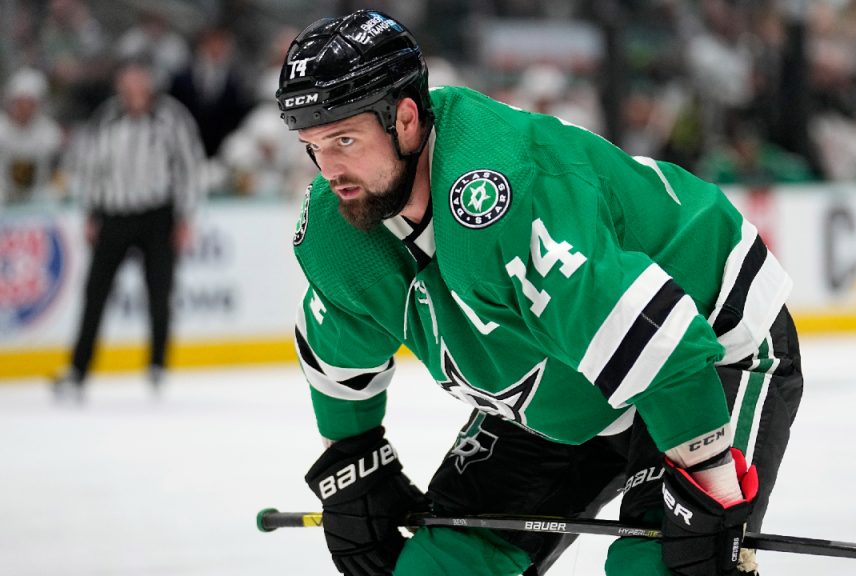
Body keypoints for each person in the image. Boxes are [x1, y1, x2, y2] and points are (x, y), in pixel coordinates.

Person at [276, 11, 803, 576]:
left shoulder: (505, 194)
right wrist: (353, 465)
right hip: (564, 366)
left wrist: (713, 494)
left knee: (659, 568)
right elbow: (335, 348)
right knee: (443, 568)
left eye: (345, 139)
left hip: (704, 338)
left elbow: (652, 343)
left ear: (405, 120)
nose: (328, 168)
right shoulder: (340, 226)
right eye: (313, 145)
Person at [53, 60, 205, 401]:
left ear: (150, 85)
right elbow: (91, 167)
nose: (134, 90)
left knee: (159, 293)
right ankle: (78, 369)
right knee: (95, 294)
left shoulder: (171, 117)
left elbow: (190, 166)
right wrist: (91, 212)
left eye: (139, 83)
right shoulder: (106, 117)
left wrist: (185, 217)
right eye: (128, 84)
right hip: (113, 215)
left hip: (157, 216)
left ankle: (157, 365)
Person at [0, 68, 64, 206]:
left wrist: (55, 190)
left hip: (39, 199)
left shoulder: (50, 132)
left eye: (29, 103)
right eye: (19, 102)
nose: (23, 108)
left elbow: (58, 171)